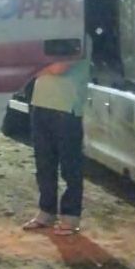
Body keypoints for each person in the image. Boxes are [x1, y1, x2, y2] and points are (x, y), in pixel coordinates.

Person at [22, 41, 92, 235]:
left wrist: (38, 67)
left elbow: (59, 68)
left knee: (70, 166)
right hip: (41, 105)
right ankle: (46, 212)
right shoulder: (52, 35)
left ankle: (70, 217)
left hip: (67, 109)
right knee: (44, 164)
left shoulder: (78, 37)